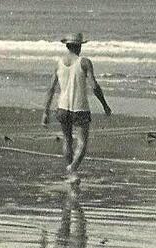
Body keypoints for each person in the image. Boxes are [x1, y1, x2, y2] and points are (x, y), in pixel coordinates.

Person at [42, 32, 111, 179]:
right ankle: (72, 168)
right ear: (78, 46)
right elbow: (94, 86)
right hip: (80, 108)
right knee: (82, 143)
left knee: (67, 140)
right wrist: (104, 104)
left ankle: (72, 174)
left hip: (62, 107)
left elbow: (51, 89)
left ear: (67, 46)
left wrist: (45, 111)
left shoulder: (59, 63)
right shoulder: (84, 62)